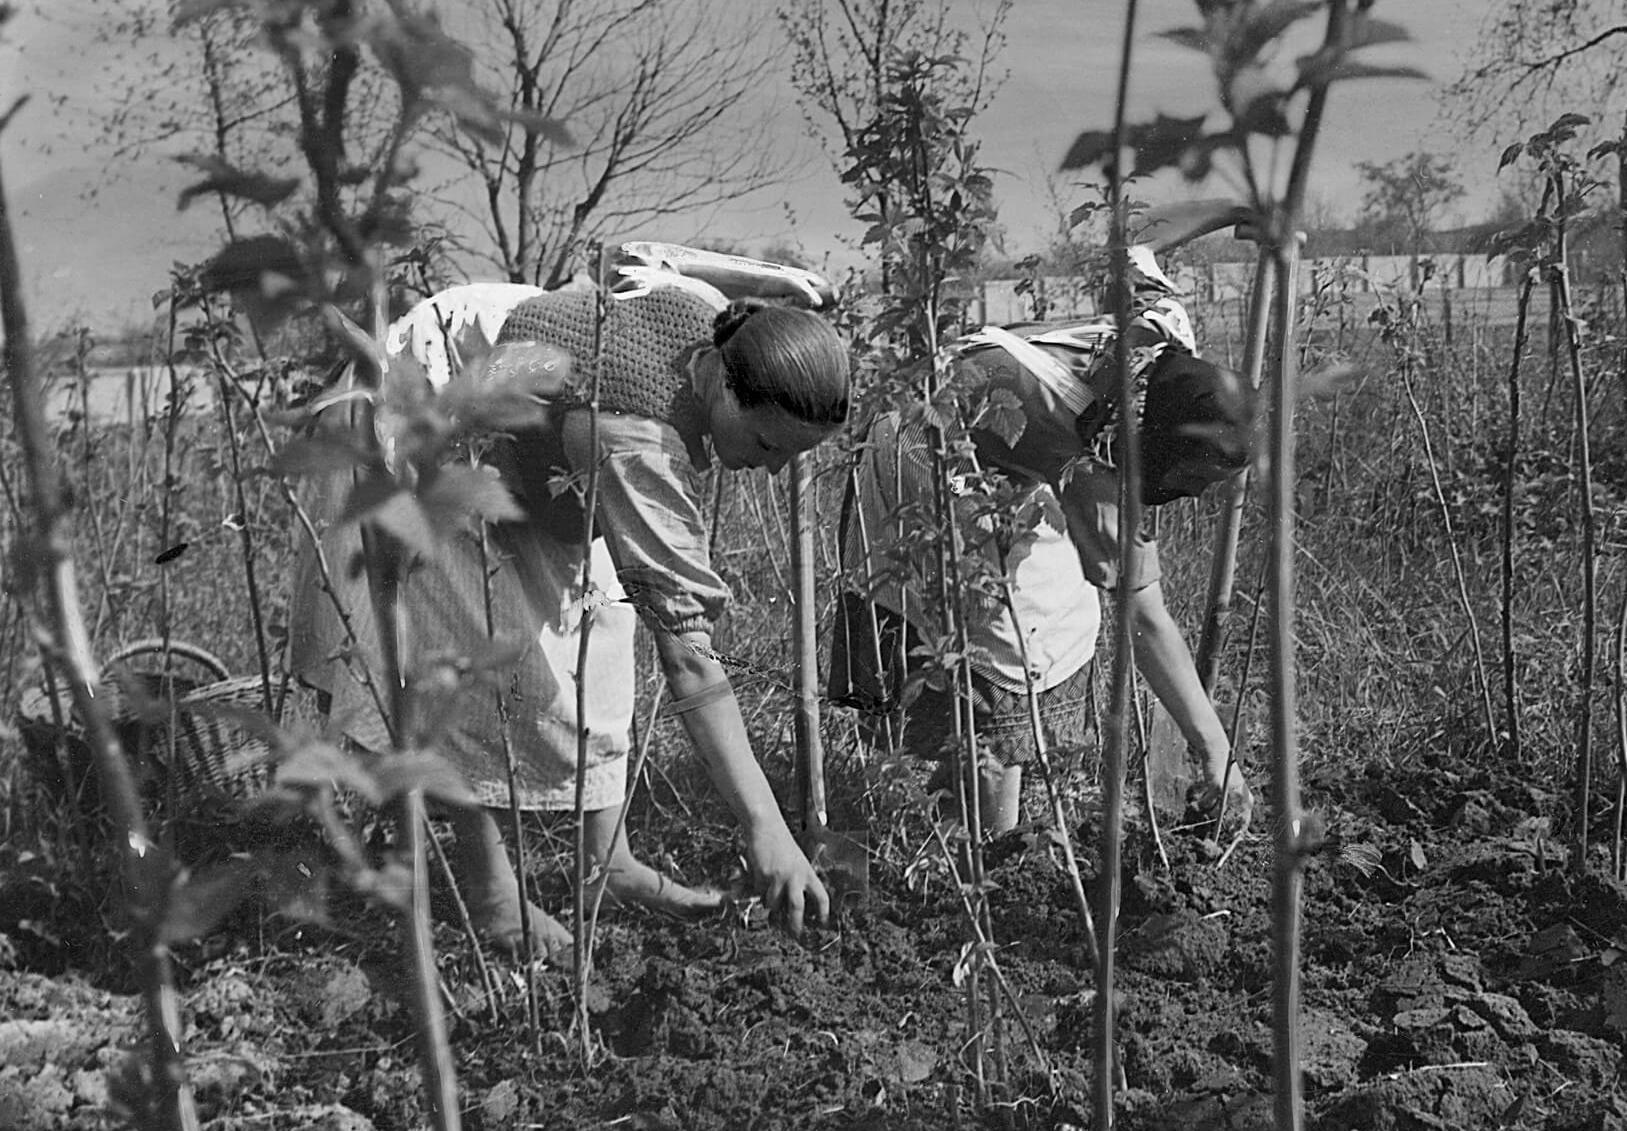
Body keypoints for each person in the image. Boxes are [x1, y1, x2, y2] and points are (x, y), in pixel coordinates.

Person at [291, 270, 851, 957]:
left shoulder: (726, 321)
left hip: (539, 429)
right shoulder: (634, 436)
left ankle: (605, 867)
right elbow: (687, 656)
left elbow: (638, 262)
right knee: (486, 657)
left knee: (602, 629)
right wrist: (766, 826)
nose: (769, 470)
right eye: (766, 446)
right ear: (723, 384)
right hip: (433, 409)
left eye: (790, 456)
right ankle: (495, 896)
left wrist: (785, 284)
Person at [830, 246, 1254, 841]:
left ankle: (979, 810)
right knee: (1007, 633)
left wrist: (1237, 215)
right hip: (923, 446)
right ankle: (985, 843)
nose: (1200, 498)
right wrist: (1215, 750)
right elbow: (1145, 615)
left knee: (1052, 611)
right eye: (1192, 481)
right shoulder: (1087, 454)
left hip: (1003, 443)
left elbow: (1135, 258)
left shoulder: (1164, 336)